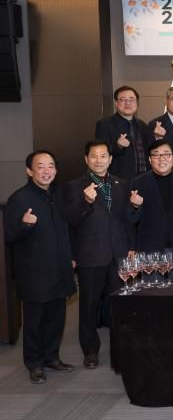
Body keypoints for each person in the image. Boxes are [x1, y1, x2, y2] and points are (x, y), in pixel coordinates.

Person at [4, 151, 76, 384]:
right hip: (34, 272)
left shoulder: (59, 195)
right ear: (29, 171)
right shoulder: (19, 199)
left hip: (60, 268)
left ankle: (52, 357)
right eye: (41, 166)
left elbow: (67, 230)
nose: (47, 171)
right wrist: (25, 225)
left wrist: (71, 257)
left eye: (51, 166)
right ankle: (34, 364)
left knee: (56, 318)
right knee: (35, 322)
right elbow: (9, 236)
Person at [63, 140, 131, 370]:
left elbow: (126, 220)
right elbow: (70, 220)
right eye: (94, 156)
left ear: (110, 159)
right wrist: (86, 202)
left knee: (118, 306)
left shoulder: (121, 184)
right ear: (86, 159)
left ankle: (120, 349)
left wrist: (130, 246)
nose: (99, 160)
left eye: (103, 156)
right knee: (88, 307)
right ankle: (90, 351)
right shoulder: (74, 186)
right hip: (90, 254)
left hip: (118, 254)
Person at [129, 139, 173, 254]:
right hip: (150, 248)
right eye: (156, 155)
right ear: (150, 159)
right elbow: (130, 219)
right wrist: (135, 207)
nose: (161, 159)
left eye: (166, 154)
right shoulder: (139, 182)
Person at [95, 85, 149, 180]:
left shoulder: (142, 125)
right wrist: (118, 146)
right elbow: (100, 154)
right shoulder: (104, 124)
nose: (128, 103)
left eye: (132, 99)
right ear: (116, 103)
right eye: (123, 99)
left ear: (137, 103)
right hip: (118, 180)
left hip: (142, 179)